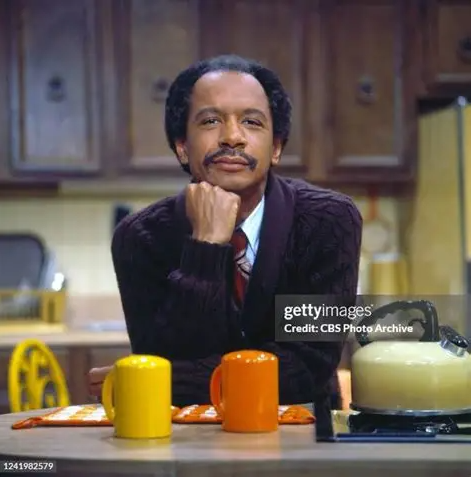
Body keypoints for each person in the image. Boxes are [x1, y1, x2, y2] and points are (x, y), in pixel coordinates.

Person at [88, 54, 362, 408]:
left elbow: (306, 371)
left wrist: (166, 380)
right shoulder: (139, 237)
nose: (232, 137)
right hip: (186, 435)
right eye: (211, 121)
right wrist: (205, 246)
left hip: (302, 429)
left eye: (251, 122)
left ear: (276, 147)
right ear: (182, 146)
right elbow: (161, 361)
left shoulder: (330, 219)